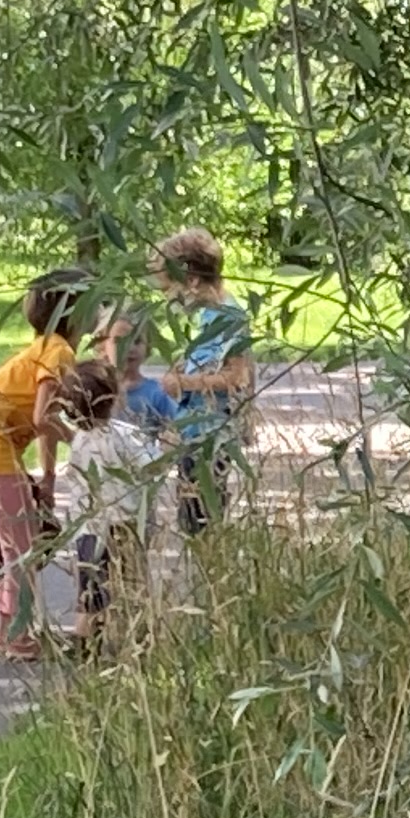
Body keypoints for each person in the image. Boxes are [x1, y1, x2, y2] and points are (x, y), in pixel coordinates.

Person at [0, 269, 87, 659]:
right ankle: (15, 636)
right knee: (22, 546)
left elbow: (43, 418)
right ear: (75, 311)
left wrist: (49, 477)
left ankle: (11, 629)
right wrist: (86, 440)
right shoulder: (59, 350)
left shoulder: (49, 345)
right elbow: (45, 418)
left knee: (19, 541)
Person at [49, 356, 168, 647]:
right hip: (126, 522)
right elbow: (152, 467)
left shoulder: (79, 440)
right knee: (134, 579)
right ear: (113, 397)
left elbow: (77, 480)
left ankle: (85, 636)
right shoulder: (126, 436)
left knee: (91, 581)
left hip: (90, 525)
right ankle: (141, 634)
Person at [150, 227, 255, 531]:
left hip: (212, 436)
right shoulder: (208, 317)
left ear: (192, 281)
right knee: (191, 520)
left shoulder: (228, 316)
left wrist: (183, 384)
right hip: (194, 432)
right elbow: (209, 363)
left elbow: (237, 376)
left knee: (202, 520)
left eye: (171, 289)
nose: (170, 298)